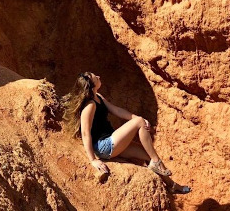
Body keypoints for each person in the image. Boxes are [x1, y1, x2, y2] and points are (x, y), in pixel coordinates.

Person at [62, 71, 191, 194]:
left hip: (112, 140)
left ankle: (173, 186)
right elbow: (85, 132)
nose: (98, 76)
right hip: (104, 147)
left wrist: (135, 117)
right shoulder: (90, 105)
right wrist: (92, 160)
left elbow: (117, 110)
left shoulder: (98, 97)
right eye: (95, 76)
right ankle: (156, 162)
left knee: (147, 153)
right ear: (91, 83)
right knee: (140, 125)